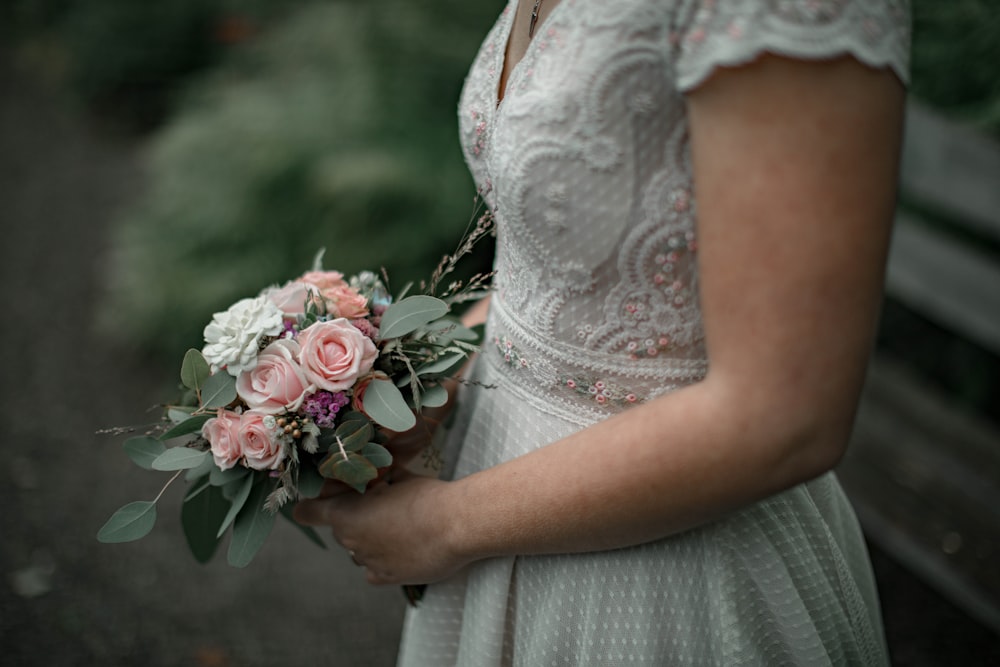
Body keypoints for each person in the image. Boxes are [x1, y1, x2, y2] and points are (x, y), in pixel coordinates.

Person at [295, 0, 911, 664]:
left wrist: (443, 524)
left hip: (669, 567)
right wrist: (428, 380)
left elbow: (784, 416)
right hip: (495, 486)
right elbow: (566, 270)